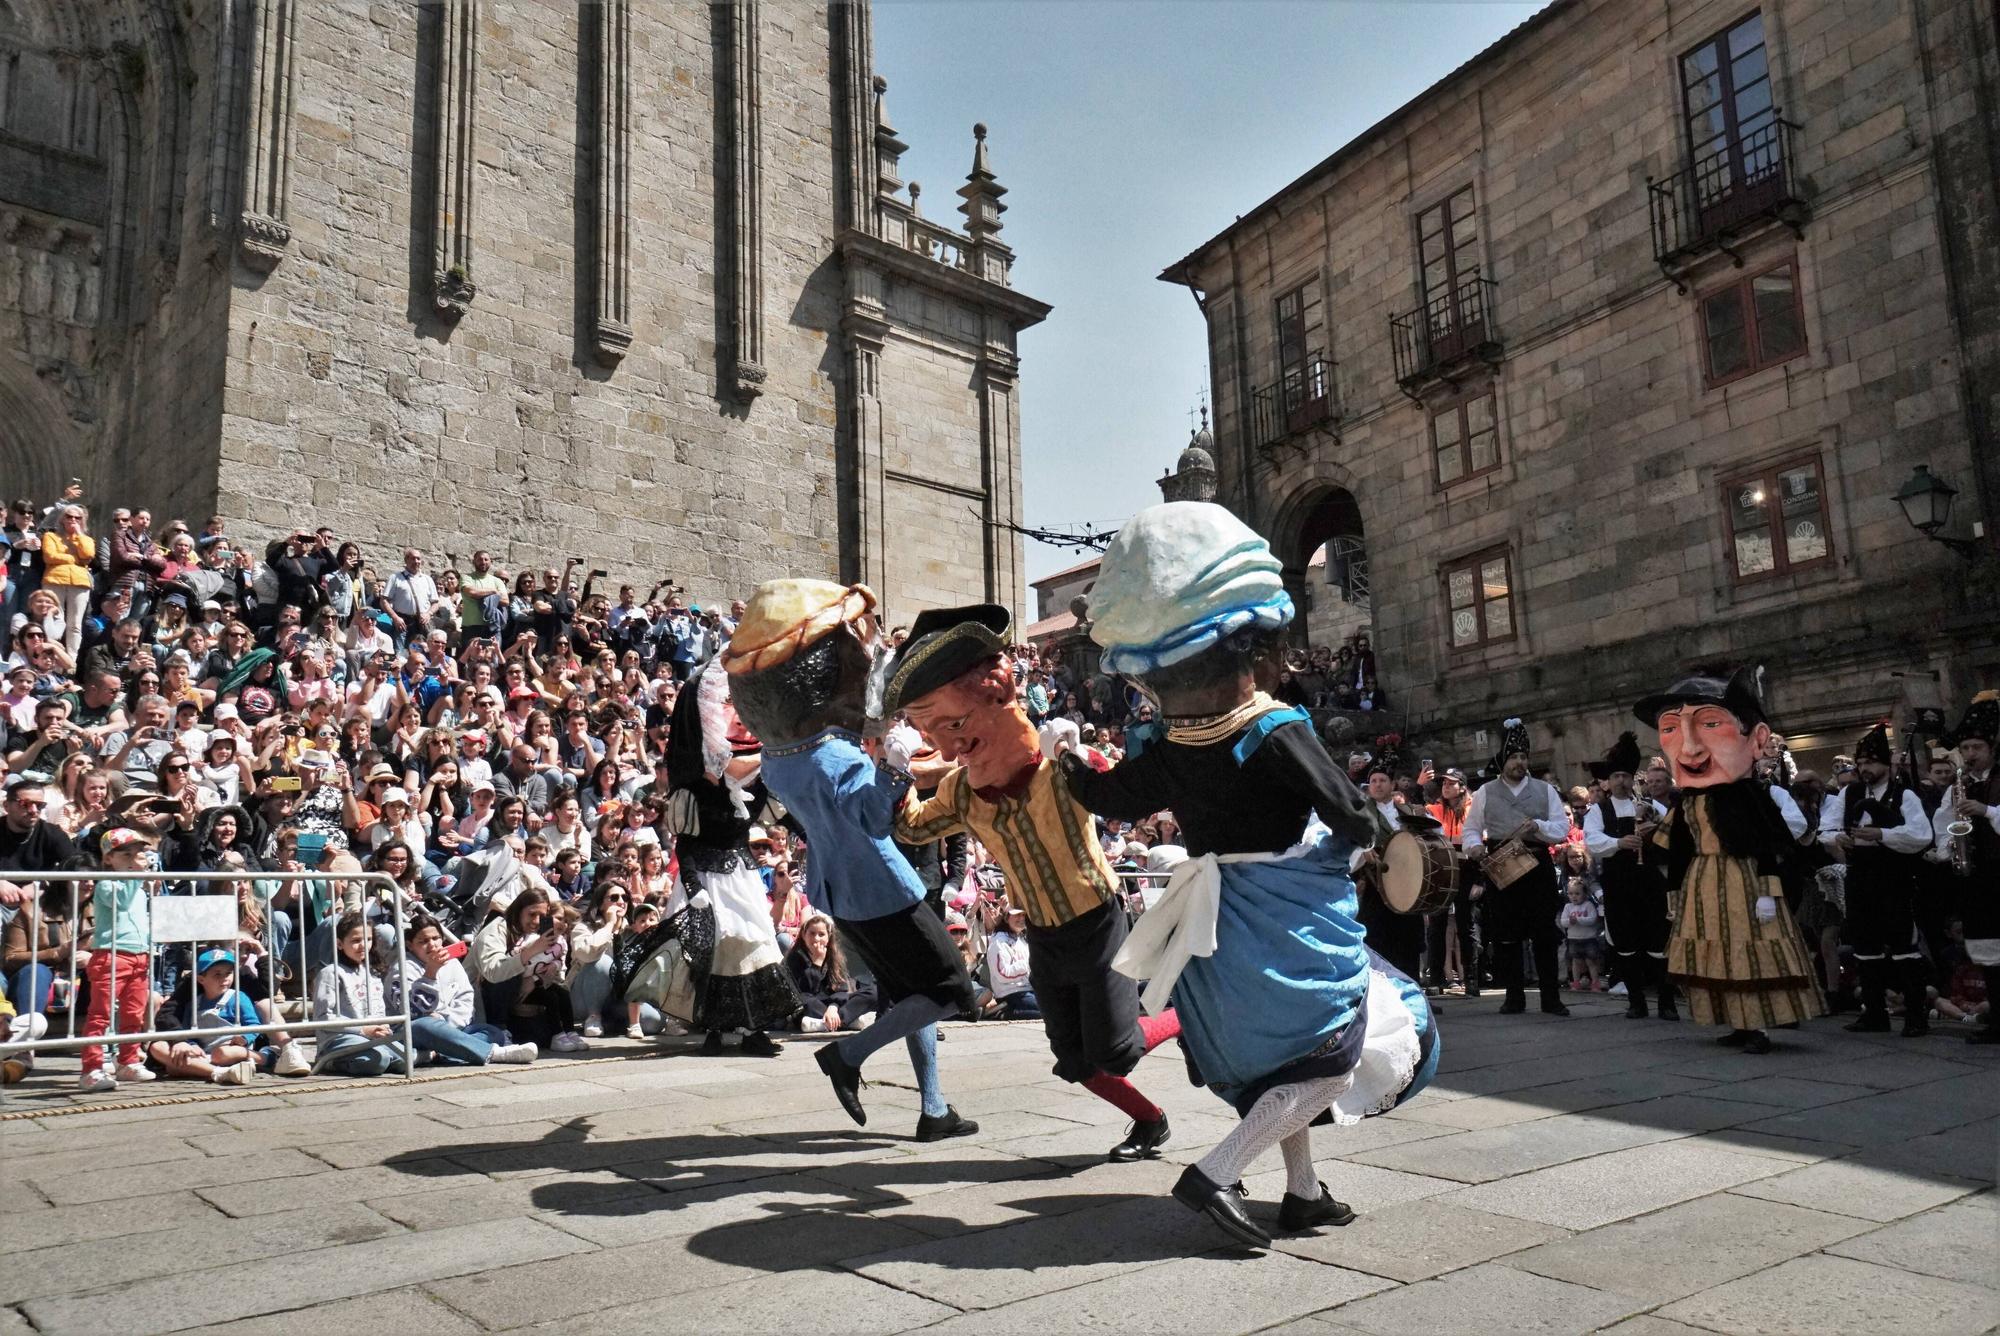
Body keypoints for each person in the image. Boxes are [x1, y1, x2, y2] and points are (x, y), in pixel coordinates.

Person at [1057, 501, 1439, 1251]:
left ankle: (1303, 1194)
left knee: (1280, 1065)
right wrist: (1372, 842)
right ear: (1251, 643)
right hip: (1286, 914)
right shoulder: (1272, 727)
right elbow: (1351, 810)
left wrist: (1066, 762)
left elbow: (1106, 795)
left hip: (1213, 918)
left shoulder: (1170, 743)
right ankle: (1212, 1173)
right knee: (1332, 1055)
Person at [885, 603, 1182, 1163]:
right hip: (1045, 937)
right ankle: (1151, 1121)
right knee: (1075, 1063)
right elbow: (908, 825)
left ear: (998, 691)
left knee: (1115, 1050)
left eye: (951, 726)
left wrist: (1079, 754)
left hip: (1098, 925)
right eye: (932, 735)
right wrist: (901, 772)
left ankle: (1185, 1017)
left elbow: (1116, 782)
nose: (947, 749)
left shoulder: (1056, 767)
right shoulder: (960, 792)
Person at [725, 579, 977, 1141]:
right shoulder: (836, 754)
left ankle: (934, 1109)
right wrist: (896, 762)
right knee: (951, 992)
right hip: (883, 886)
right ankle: (848, 1057)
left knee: (912, 996)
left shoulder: (779, 756)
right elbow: (873, 818)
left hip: (839, 891)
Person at [1637, 666, 1823, 1053]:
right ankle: (1735, 1022)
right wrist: (1670, 880)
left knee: (1748, 951)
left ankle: (1758, 1026)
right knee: (1717, 953)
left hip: (1745, 880)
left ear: (1755, 740)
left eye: (1709, 725)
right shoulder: (1688, 800)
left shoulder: (1749, 795)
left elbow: (1768, 845)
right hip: (1702, 881)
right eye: (1670, 729)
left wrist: (1769, 891)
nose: (1689, 748)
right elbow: (1673, 846)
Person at [662, 658, 799, 1056]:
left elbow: (788, 813)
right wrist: (691, 885)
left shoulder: (758, 783)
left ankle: (752, 1028)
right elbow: (686, 843)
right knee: (718, 950)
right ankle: (718, 1030)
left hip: (739, 871)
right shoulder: (693, 791)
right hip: (705, 876)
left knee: (757, 943)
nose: (737, 720)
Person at [1818, 723, 1934, 1037]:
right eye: (1862, 764)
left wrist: (1882, 834)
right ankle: (1874, 1014)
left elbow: (1922, 836)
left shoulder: (1903, 794)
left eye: (1870, 763)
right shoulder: (1849, 792)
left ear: (1885, 764)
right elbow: (1824, 829)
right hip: (1860, 875)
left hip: (1893, 876)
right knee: (1864, 945)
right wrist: (1839, 838)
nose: (1865, 769)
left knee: (1903, 945)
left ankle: (1915, 1016)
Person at [1461, 718, 1572, 1017]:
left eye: (1524, 757)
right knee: (1506, 933)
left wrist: (1539, 826)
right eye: (1514, 757)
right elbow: (1471, 828)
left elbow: (1562, 827)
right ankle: (1513, 997)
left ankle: (1551, 998)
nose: (1520, 762)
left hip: (1537, 864)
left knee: (1544, 932)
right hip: (1502, 865)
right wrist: (1473, 846)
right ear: (1504, 760)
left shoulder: (1545, 790)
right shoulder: (1485, 791)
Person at [1581, 732, 1676, 1020]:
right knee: (1626, 942)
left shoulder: (1653, 806)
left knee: (1658, 941)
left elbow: (1675, 836)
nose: (1621, 781)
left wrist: (1656, 829)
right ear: (1607, 782)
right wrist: (1619, 843)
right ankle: (1636, 1001)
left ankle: (1666, 1002)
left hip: (1649, 883)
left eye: (1626, 775)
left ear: (1634, 778)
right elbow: (1592, 842)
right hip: (1619, 883)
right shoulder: (1598, 810)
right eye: (1616, 776)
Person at [1937, 693, 2000, 1045]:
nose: (1971, 754)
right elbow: (1945, 823)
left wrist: (1988, 811)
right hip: (1977, 875)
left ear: (1991, 746)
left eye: (1977, 746)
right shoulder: (1961, 784)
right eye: (1966, 748)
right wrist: (1950, 845)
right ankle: (1996, 1021)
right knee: (1987, 951)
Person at [77, 827, 158, 1092]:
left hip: (139, 954)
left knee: (134, 1013)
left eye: (138, 853)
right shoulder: (107, 884)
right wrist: (137, 874)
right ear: (108, 859)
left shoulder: (138, 885)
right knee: (100, 1015)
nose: (134, 858)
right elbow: (121, 902)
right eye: (126, 854)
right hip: (111, 954)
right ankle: (91, 1068)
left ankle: (128, 1060)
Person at [398, 915, 536, 1065]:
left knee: (493, 1032)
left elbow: (466, 1000)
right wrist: (430, 974)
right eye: (423, 941)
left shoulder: (452, 963)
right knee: (424, 1024)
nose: (432, 945)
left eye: (436, 938)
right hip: (417, 1032)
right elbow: (413, 1012)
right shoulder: (402, 968)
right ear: (410, 945)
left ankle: (441, 1053)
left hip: (453, 1029)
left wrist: (447, 1026)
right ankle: (493, 1053)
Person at [311, 908, 408, 1075]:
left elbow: (378, 1008)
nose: (363, 945)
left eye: (368, 939)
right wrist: (362, 1030)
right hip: (340, 1037)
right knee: (379, 1061)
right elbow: (323, 1016)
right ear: (340, 944)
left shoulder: (372, 971)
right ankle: (330, 1061)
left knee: (407, 1059)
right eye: (356, 940)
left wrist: (381, 1027)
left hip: (370, 1035)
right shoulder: (331, 973)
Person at [1424, 768, 1480, 996]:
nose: (1446, 786)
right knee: (1437, 926)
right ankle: (1436, 979)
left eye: (1451, 783)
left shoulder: (1473, 809)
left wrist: (1480, 880)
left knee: (1466, 926)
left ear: (1462, 786)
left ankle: (1473, 980)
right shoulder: (1435, 809)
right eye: (1443, 783)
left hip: (1467, 870)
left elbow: (1479, 845)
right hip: (1442, 870)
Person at [984, 904, 1039, 1019]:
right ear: (1006, 918)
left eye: (1023, 915)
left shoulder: (1022, 939)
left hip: (1028, 989)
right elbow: (1002, 974)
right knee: (1047, 1013)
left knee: (1055, 1007)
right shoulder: (998, 941)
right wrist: (1028, 964)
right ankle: (1003, 1013)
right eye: (1016, 915)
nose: (1021, 918)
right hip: (1010, 993)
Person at [1557, 881, 1606, 991]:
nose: (1574, 896)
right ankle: (1576, 982)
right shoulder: (1567, 907)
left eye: (1577, 893)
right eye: (1571, 893)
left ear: (1584, 894)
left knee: (1591, 962)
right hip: (1573, 939)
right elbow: (1563, 922)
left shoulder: (1588, 905)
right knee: (1576, 962)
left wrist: (1578, 919)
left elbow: (1592, 919)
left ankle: (1595, 983)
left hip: (1589, 939)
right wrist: (1570, 921)